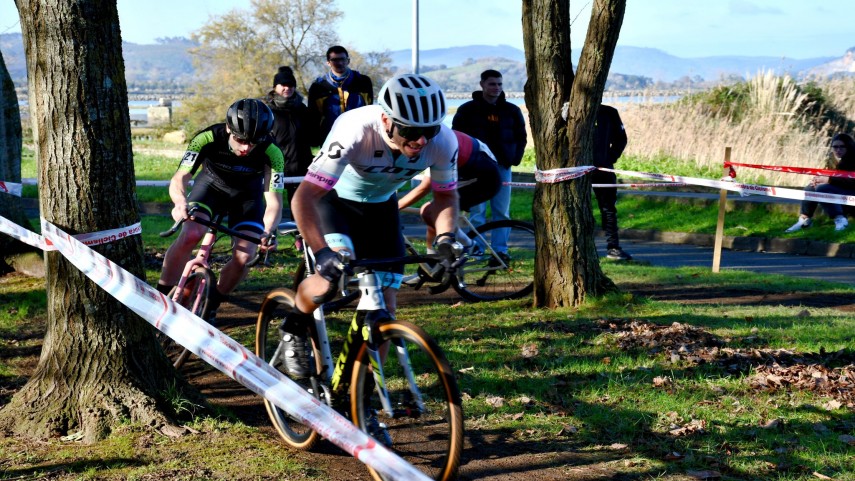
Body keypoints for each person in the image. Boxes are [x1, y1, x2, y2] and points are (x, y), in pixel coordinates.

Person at [279, 74, 458, 441]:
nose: (421, 140)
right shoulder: (355, 128)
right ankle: (293, 323)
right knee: (330, 279)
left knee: (385, 309)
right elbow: (303, 198)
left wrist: (445, 238)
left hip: (380, 211)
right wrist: (322, 251)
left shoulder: (443, 142)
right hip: (333, 204)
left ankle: (363, 404)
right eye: (410, 130)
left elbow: (444, 198)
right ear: (388, 120)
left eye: (428, 129)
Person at [156, 98, 284, 318]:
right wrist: (180, 202)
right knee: (191, 234)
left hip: (247, 197)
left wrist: (268, 230)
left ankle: (213, 302)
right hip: (210, 187)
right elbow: (181, 177)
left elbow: (274, 201)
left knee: (245, 255)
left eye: (253, 143)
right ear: (228, 128)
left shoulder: (273, 153)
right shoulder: (207, 137)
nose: (245, 148)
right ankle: (161, 294)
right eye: (240, 140)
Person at [451, 69, 526, 264]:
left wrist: (514, 158)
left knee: (501, 211)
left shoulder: (512, 110)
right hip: (476, 167)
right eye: (492, 84)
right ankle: (477, 249)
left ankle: (500, 251)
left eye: (500, 84)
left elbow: (521, 137)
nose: (497, 88)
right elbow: (456, 137)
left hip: (502, 166)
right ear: (482, 84)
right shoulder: (467, 110)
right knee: (477, 212)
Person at [397, 130, 500, 251]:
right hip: (470, 170)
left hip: (485, 179)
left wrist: (393, 207)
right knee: (431, 217)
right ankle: (430, 265)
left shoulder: (439, 146)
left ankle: (469, 246)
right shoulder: (430, 137)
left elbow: (424, 187)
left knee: (430, 211)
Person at [264, 66, 315, 217]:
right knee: (273, 209)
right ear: (275, 87)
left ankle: (300, 239)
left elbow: (313, 138)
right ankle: (268, 238)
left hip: (301, 166)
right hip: (275, 168)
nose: (287, 88)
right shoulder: (267, 112)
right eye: (283, 85)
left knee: (300, 209)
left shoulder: (303, 110)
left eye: (291, 85)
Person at [785, 133, 855, 233]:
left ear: (849, 146)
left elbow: (851, 182)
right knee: (811, 187)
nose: (838, 150)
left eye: (842, 147)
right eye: (835, 147)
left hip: (852, 193)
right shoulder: (839, 160)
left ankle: (841, 220)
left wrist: (828, 180)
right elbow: (836, 178)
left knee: (822, 189)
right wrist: (819, 179)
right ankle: (804, 220)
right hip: (844, 190)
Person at [307, 45, 374, 146]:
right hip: (330, 140)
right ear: (328, 62)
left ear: (348, 60)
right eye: (335, 60)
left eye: (343, 59)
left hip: (360, 138)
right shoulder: (318, 87)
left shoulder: (363, 82)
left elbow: (369, 112)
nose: (340, 63)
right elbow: (314, 118)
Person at [592, 104, 632, 260]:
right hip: (578, 170)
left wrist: (609, 158)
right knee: (579, 209)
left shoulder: (609, 112)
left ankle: (613, 248)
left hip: (604, 169)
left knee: (608, 209)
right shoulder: (571, 110)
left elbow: (621, 138)